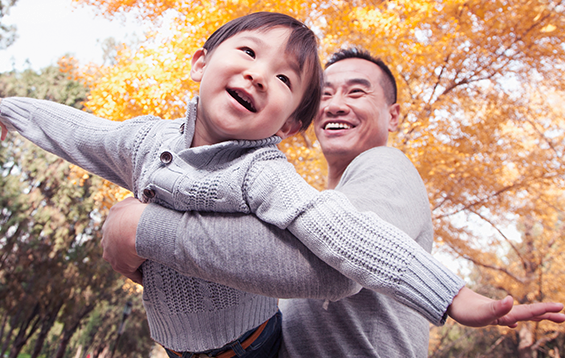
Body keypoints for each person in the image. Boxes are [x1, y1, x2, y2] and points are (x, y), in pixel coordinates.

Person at [0, 13, 563, 358]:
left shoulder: (300, 173)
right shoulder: (149, 142)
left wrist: (452, 297)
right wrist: (14, 112)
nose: (258, 74)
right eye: (326, 91)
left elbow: (340, 250)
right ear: (201, 62)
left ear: (288, 124)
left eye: (356, 91)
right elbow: (87, 133)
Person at [100, 47, 565, 357]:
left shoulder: (386, 166)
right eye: (322, 95)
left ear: (393, 114)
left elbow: (331, 270)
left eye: (356, 92)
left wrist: (143, 229)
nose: (335, 104)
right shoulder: (303, 205)